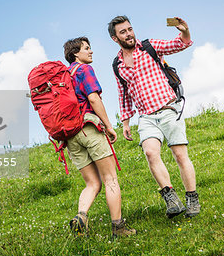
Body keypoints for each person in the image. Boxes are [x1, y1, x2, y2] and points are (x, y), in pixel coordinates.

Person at [108, 16, 200, 218]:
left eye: (130, 29)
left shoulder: (149, 47)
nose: (129, 34)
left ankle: (192, 199)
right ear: (115, 38)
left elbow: (180, 44)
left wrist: (184, 30)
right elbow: (123, 93)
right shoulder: (117, 65)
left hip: (169, 109)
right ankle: (171, 199)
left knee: (179, 155)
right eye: (123, 32)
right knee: (150, 153)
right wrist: (125, 122)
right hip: (146, 117)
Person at [63, 37, 135, 237]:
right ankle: (118, 228)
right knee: (110, 179)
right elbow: (93, 98)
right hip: (88, 128)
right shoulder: (84, 70)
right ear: (76, 53)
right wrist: (110, 126)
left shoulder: (64, 76)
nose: (91, 51)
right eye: (87, 48)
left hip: (70, 136)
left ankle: (81, 217)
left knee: (92, 183)